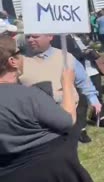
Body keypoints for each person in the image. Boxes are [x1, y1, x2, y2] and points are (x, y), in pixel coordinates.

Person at [0, 35, 93, 182]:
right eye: (19, 52)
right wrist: (67, 84)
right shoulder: (28, 96)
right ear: (12, 61)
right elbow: (67, 120)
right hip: (52, 171)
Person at [19, 34, 102, 143]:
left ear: (49, 36)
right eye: (28, 37)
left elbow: (82, 79)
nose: (30, 40)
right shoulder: (19, 60)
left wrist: (93, 99)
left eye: (35, 37)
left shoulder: (66, 58)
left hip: (64, 113)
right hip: (33, 117)